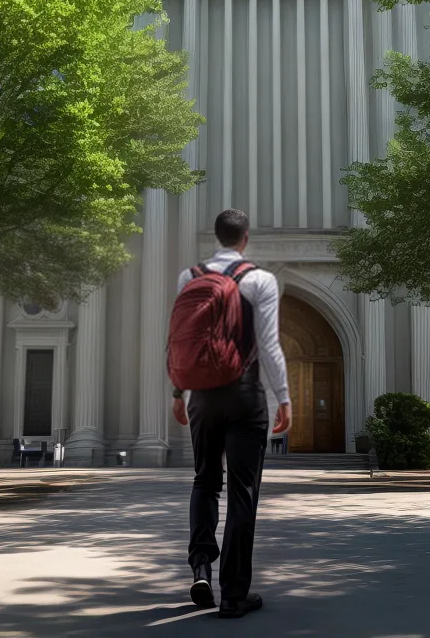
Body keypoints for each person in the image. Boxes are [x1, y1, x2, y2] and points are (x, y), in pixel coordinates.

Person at [170, 208, 292, 618]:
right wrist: (285, 399)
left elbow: (182, 338)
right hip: (243, 394)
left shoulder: (189, 277)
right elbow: (269, 345)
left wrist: (177, 391)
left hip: (201, 395)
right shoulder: (260, 279)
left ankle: (201, 567)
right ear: (245, 238)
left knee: (205, 481)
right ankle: (234, 595)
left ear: (217, 237)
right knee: (243, 494)